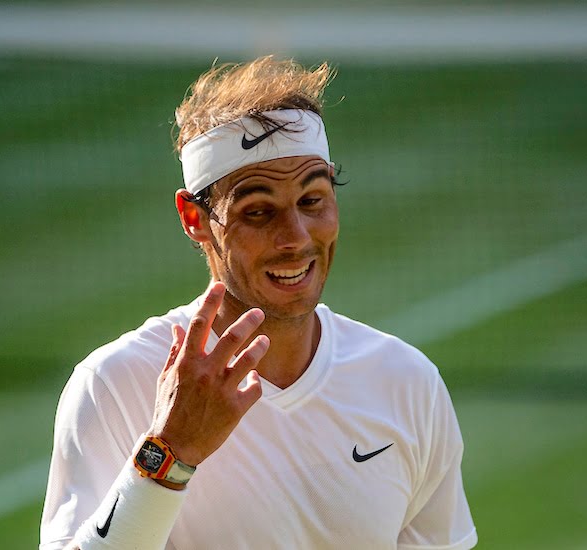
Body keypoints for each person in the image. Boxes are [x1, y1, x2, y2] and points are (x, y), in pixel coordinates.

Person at [40, 56, 477, 550]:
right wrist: (170, 450)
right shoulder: (114, 385)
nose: (295, 238)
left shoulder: (408, 382)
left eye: (313, 200)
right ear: (195, 218)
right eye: (258, 211)